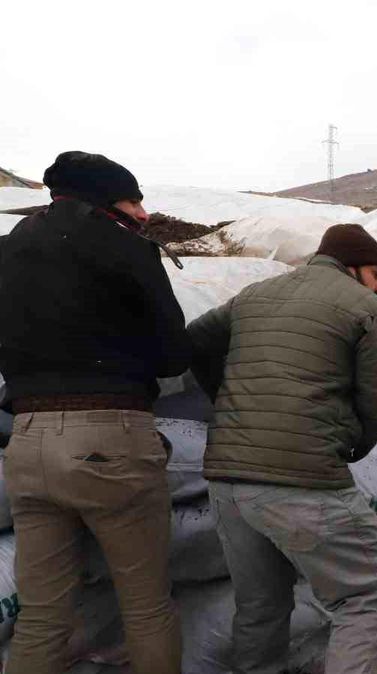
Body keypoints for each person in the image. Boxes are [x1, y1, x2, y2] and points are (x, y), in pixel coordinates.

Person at [0, 151, 190, 674]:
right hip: (110, 436)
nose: (144, 214)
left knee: (40, 618)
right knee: (147, 607)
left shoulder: (8, 249)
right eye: (134, 200)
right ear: (108, 201)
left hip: (27, 441)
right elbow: (175, 355)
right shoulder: (125, 246)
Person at [187, 224, 377, 674]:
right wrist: (353, 445)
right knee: (365, 595)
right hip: (301, 479)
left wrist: (226, 400)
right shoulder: (363, 306)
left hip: (228, 482)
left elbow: (194, 341)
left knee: (260, 606)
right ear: (351, 267)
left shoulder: (254, 294)